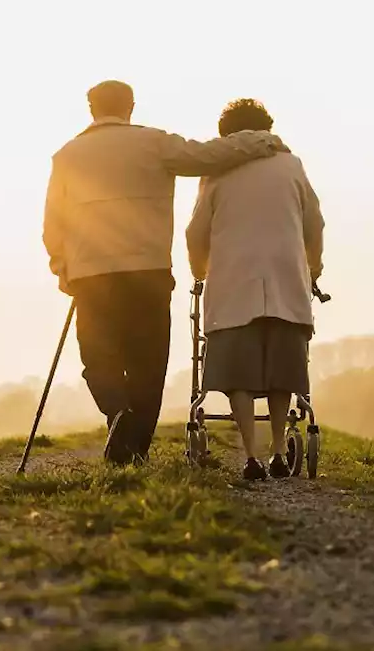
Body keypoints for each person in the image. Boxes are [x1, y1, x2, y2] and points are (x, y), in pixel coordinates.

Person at [43, 81, 288, 465]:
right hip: (149, 270)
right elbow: (211, 156)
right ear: (131, 107)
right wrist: (263, 142)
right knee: (148, 361)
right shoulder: (154, 143)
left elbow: (52, 224)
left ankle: (116, 411)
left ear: (91, 108)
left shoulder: (67, 156)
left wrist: (62, 268)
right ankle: (134, 449)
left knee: (97, 356)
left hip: (91, 273)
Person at [185, 98, 325, 480]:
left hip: (233, 284)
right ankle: (280, 449)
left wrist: (200, 272)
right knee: (283, 372)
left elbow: (195, 232)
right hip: (286, 280)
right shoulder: (291, 166)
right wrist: (314, 267)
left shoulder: (217, 171)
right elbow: (315, 222)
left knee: (238, 375)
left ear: (225, 134)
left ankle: (250, 456)